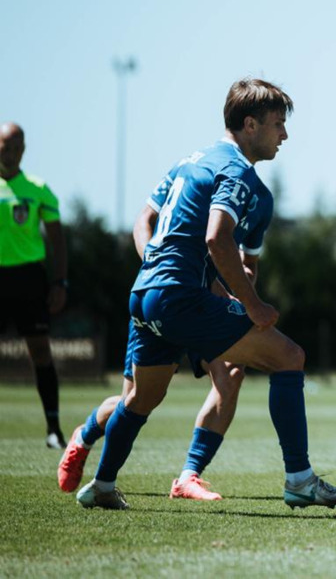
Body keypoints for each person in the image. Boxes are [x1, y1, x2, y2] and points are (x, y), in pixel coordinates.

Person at [74, 78, 336, 511]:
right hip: (179, 297)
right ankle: (300, 480)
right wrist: (253, 306)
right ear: (250, 125)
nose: (285, 135)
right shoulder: (236, 171)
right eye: (278, 124)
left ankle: (102, 485)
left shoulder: (191, 161)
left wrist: (161, 269)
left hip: (145, 293)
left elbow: (149, 222)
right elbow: (217, 239)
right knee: (289, 357)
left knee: (141, 398)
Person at [59, 196, 249, 501]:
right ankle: (85, 435)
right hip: (163, 299)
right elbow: (143, 221)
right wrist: (155, 264)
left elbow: (246, 262)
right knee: (135, 399)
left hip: (206, 305)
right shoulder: (189, 180)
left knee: (231, 374)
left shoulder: (251, 197)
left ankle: (188, 476)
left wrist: (241, 294)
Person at [0, 122, 69, 449]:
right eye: (5, 146)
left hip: (28, 279)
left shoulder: (39, 189)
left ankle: (53, 428)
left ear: (23, 150)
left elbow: (57, 241)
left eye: (16, 147)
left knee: (40, 351)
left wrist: (60, 281)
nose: (10, 152)